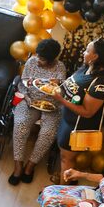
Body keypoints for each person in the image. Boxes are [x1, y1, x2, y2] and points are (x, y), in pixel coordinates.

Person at [50, 39, 104, 180]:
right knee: (64, 157)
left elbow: (87, 112)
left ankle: (62, 194)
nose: (83, 52)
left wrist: (61, 100)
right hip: (67, 120)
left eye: (87, 50)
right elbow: (75, 87)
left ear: (95, 56)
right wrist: (60, 83)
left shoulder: (101, 82)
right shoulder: (86, 68)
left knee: (67, 159)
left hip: (76, 127)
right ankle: (63, 180)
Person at [10, 39, 67, 185]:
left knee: (48, 132)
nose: (38, 60)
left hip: (52, 106)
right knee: (21, 125)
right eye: (38, 56)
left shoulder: (60, 67)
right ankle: (18, 165)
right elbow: (23, 81)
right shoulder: (31, 62)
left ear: (51, 60)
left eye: (42, 59)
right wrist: (27, 95)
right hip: (29, 100)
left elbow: (60, 89)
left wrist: (57, 84)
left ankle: (31, 165)